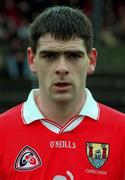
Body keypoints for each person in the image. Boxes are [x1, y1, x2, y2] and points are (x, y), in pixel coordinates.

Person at [0, 6, 125, 180]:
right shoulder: (2, 133)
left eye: (73, 56)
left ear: (91, 60)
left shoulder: (122, 131)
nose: (62, 68)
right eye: (49, 56)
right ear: (31, 60)